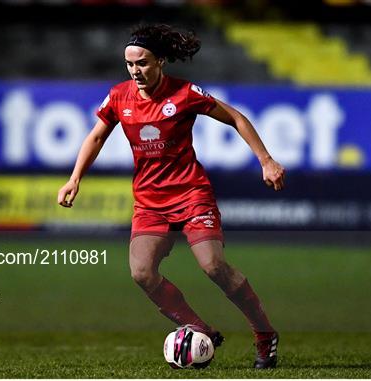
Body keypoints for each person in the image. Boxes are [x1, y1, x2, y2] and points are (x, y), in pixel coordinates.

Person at [58, 24, 285, 369]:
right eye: (130, 64)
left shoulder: (185, 93)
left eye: (143, 63)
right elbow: (96, 138)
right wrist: (75, 179)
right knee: (141, 272)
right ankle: (199, 329)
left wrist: (266, 160)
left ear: (161, 61)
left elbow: (236, 118)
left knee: (213, 266)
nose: (136, 71)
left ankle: (265, 335)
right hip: (150, 201)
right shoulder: (119, 96)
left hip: (191, 194)